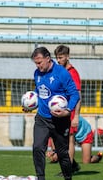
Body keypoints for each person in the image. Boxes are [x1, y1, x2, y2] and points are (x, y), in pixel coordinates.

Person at [24, 46, 80, 180]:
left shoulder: (62, 73)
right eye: (35, 63)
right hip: (42, 118)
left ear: (48, 59)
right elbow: (40, 91)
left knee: (62, 153)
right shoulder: (37, 73)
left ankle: (68, 177)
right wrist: (30, 104)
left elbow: (74, 95)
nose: (37, 66)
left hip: (60, 120)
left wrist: (67, 111)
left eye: (39, 62)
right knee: (37, 148)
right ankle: (41, 177)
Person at [54, 45, 82, 173]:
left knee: (70, 138)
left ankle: (68, 168)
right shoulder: (59, 72)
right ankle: (73, 164)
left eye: (60, 58)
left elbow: (78, 95)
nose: (58, 61)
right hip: (61, 111)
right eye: (57, 58)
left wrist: (76, 115)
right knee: (60, 139)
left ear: (67, 57)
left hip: (70, 111)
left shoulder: (72, 73)